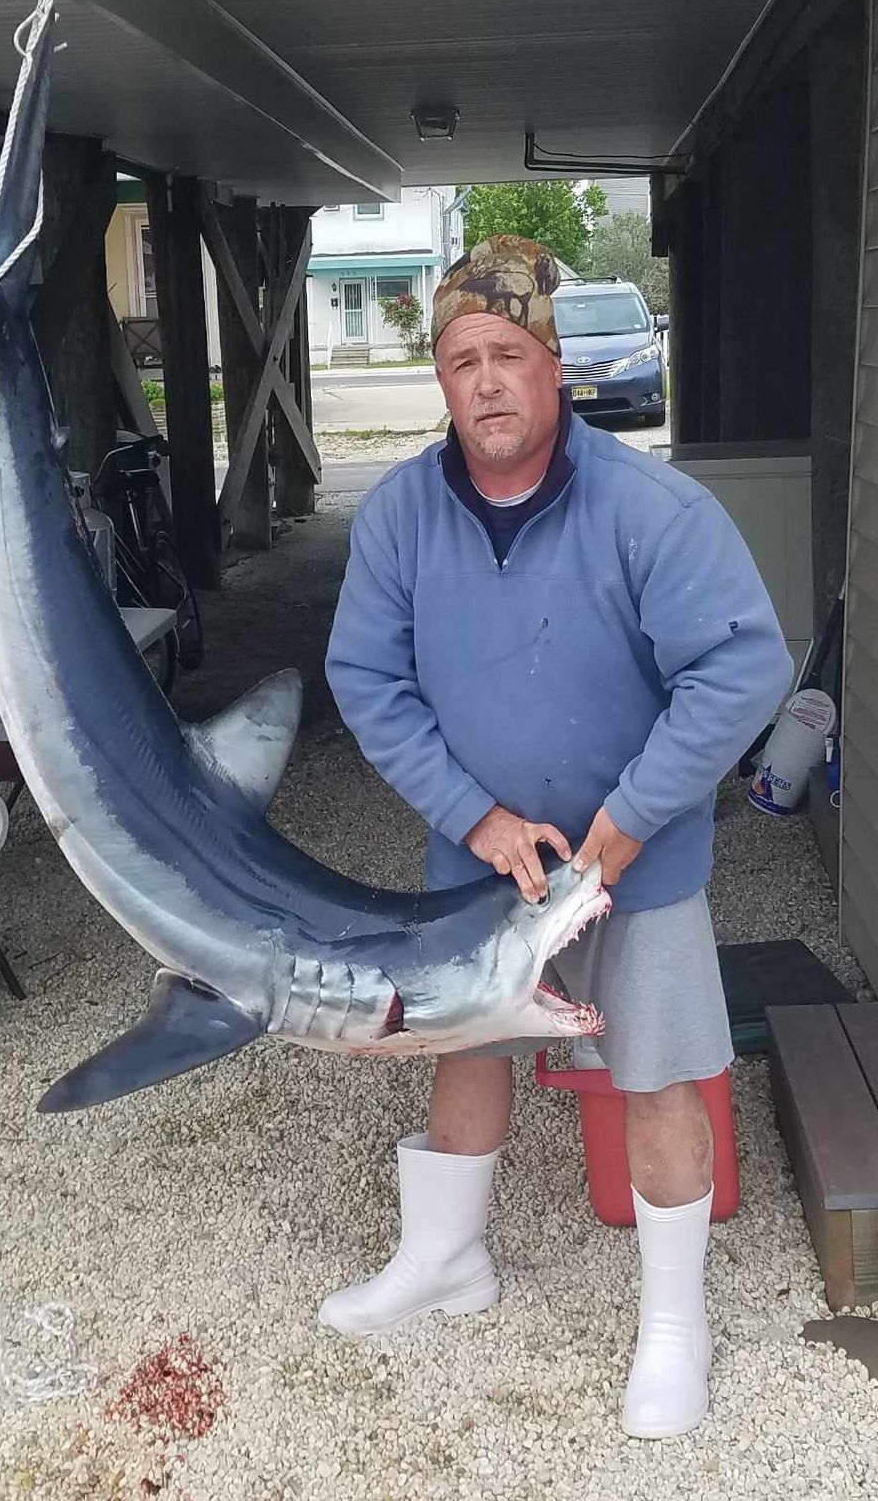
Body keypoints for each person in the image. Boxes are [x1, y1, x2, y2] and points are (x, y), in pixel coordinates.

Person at [322, 234, 793, 1438]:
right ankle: (444, 1260)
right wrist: (472, 817)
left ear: (557, 365)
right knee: (464, 1052)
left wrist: (630, 820)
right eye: (461, 358)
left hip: (634, 863)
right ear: (440, 378)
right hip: (484, 860)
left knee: (658, 1073)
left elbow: (743, 672)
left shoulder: (652, 510)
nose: (485, 381)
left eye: (509, 354)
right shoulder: (396, 520)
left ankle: (675, 1328)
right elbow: (367, 680)